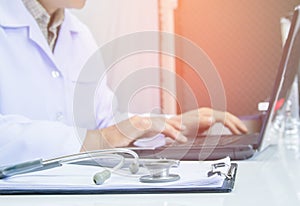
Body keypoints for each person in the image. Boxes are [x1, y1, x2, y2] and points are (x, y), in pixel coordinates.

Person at [0, 0, 248, 165]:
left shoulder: (78, 34)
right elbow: (101, 136)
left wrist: (170, 125)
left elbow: (105, 122)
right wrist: (100, 139)